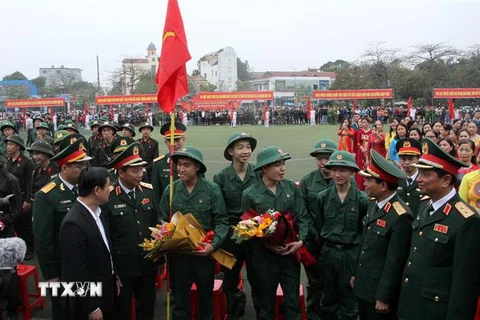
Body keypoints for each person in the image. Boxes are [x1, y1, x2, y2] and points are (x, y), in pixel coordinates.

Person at [397, 138, 480, 320]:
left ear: (446, 180)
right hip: (411, 305)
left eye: (426, 174)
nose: (418, 179)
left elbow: (464, 285)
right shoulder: (426, 205)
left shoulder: (466, 220)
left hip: (435, 312)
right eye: (420, 173)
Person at [159, 146, 228, 320]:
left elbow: (222, 222)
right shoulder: (171, 190)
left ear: (197, 167)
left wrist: (213, 245)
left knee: (206, 302)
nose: (181, 169)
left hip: (203, 257)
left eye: (186, 165)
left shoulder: (212, 190)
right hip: (178, 258)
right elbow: (162, 220)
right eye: (179, 164)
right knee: (180, 304)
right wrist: (167, 234)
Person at [242, 146, 310, 320]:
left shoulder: (291, 188)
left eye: (283, 164)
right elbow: (246, 227)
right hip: (264, 259)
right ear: (264, 168)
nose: (283, 169)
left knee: (293, 303)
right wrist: (266, 242)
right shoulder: (250, 194)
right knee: (266, 306)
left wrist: (300, 241)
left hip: (289, 256)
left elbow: (302, 216)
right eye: (277, 165)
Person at [33, 138, 92, 320]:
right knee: (64, 311)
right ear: (64, 168)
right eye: (79, 166)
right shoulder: (46, 195)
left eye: (84, 164)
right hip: (61, 269)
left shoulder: (85, 189)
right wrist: (51, 275)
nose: (84, 169)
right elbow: (43, 240)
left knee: (84, 308)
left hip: (85, 265)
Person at [352, 150, 413, 320]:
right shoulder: (375, 204)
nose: (364, 184)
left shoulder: (401, 216)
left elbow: (395, 261)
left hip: (378, 293)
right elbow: (365, 244)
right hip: (364, 284)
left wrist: (384, 297)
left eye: (368, 180)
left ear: (383, 186)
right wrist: (356, 274)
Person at [102, 142, 157, 320]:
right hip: (123, 267)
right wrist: (112, 270)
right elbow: (106, 236)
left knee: (147, 309)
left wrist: (160, 258)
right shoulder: (108, 197)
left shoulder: (148, 192)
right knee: (122, 311)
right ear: (121, 172)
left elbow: (155, 227)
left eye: (141, 169)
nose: (140, 174)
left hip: (147, 264)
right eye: (134, 170)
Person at [314, 151, 369, 320]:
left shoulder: (362, 199)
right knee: (328, 299)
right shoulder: (322, 198)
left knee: (349, 301)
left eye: (343, 170)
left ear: (352, 171)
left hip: (351, 254)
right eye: (334, 170)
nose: (337, 175)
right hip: (328, 252)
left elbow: (364, 233)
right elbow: (319, 227)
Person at [59, 167, 119, 320]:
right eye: (108, 185)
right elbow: (76, 271)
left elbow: (106, 250)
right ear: (97, 190)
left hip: (106, 290)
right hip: (90, 303)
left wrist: (114, 276)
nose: (111, 189)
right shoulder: (73, 223)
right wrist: (91, 307)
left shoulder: (98, 212)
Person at [213, 132, 258, 320]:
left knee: (258, 277)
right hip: (231, 237)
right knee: (229, 278)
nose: (245, 151)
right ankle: (233, 307)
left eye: (248, 147)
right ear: (230, 151)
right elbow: (219, 212)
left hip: (256, 236)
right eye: (240, 147)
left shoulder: (258, 173)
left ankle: (262, 311)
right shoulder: (221, 177)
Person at [299, 139, 342, 320]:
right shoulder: (307, 181)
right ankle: (314, 314)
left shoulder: (344, 179)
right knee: (315, 282)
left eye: (327, 158)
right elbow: (302, 213)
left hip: (337, 243)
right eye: (320, 158)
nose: (323, 162)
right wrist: (315, 234)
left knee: (336, 281)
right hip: (313, 242)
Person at [5, 134, 35, 260]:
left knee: (25, 226)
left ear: (18, 146)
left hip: (23, 197)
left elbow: (30, 182)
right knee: (15, 225)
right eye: (7, 144)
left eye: (11, 144)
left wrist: (28, 200)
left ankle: (29, 249)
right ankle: (18, 249)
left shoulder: (27, 162)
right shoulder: (7, 161)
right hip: (11, 198)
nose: (8, 146)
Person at [151, 121, 187, 209]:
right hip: (168, 211)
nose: (174, 144)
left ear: (183, 139)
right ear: (165, 142)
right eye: (169, 140)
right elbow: (156, 195)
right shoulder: (159, 164)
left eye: (177, 140)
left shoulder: (194, 161)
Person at [395, 138, 425, 217]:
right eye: (403, 159)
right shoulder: (395, 180)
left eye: (411, 159)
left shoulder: (425, 180)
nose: (407, 162)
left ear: (418, 159)